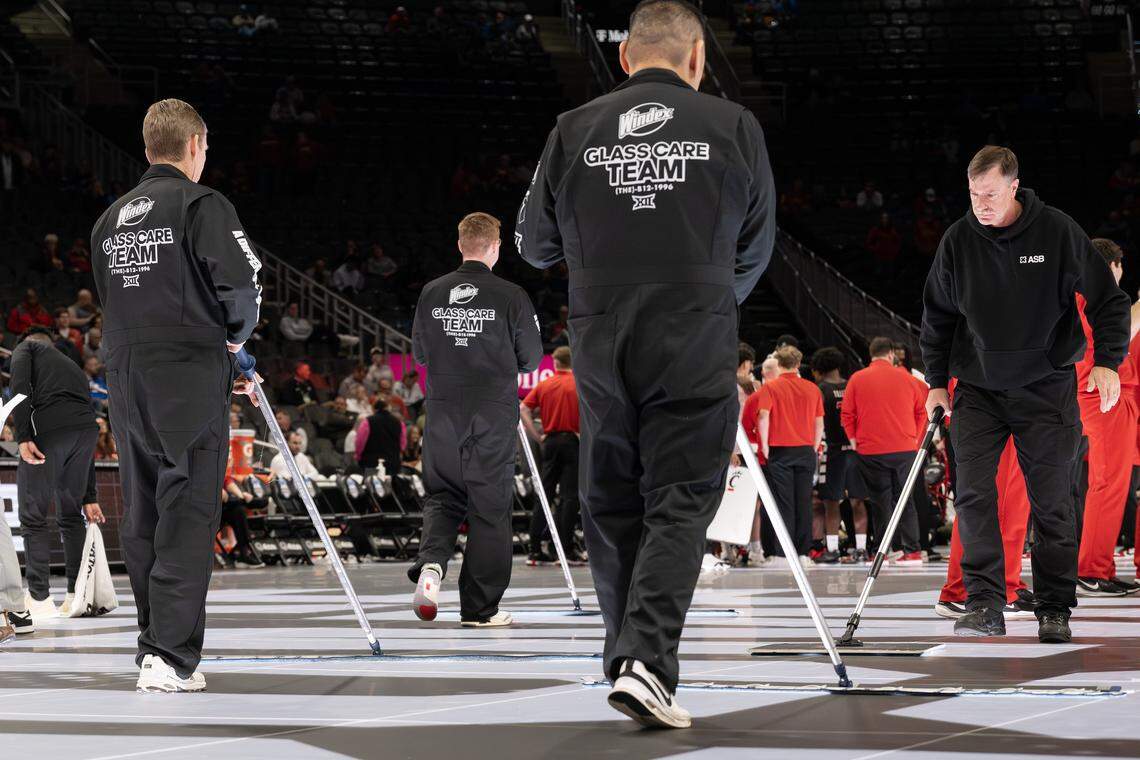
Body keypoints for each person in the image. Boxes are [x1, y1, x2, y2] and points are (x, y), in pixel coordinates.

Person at [515, 0, 775, 729]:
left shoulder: (572, 129)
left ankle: (626, 656)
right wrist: (710, 299)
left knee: (612, 498)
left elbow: (532, 245)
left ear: (625, 58)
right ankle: (646, 663)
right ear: (697, 59)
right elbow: (757, 245)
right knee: (682, 496)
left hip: (600, 335)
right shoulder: (734, 126)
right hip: (694, 328)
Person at [920, 145, 1130, 643]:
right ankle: (985, 602)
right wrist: (934, 382)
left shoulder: (1056, 231)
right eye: (973, 194)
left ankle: (1055, 607)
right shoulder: (958, 239)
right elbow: (938, 317)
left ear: (1014, 186)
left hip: (1045, 384)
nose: (981, 204)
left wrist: (1106, 362)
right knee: (972, 496)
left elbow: (1109, 300)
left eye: (990, 194)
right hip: (977, 387)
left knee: (1053, 501)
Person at [90, 98, 262, 693]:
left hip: (125, 371)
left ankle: (151, 646)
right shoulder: (201, 203)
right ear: (195, 145)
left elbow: (110, 298)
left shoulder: (109, 219)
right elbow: (242, 283)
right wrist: (235, 341)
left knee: (143, 510)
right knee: (188, 508)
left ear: (147, 150)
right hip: (186, 367)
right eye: (206, 148)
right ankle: (169, 656)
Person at [408, 212, 543, 629]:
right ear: (496, 246)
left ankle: (431, 566)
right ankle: (480, 609)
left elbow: (420, 355)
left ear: (461, 243)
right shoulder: (511, 295)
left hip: (444, 411)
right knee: (489, 508)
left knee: (443, 495)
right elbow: (532, 357)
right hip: (490, 413)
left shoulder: (432, 292)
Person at [8, 327, 102, 621]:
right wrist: (89, 495)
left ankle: (38, 597)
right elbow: (86, 414)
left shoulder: (26, 349)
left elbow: (19, 389)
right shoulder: (73, 366)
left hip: (50, 429)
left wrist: (23, 436)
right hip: (86, 432)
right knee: (71, 516)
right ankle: (76, 596)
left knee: (33, 517)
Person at [1073, 238, 1140, 596]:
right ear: (1112, 266)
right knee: (1109, 485)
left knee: (1101, 485)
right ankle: (1093, 568)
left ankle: (1092, 566)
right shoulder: (1101, 299)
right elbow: (1118, 333)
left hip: (1086, 396)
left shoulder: (1074, 295)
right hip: (1106, 397)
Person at [840, 336, 926, 565]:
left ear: (871, 354)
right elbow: (922, 412)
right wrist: (915, 438)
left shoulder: (857, 379)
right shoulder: (907, 379)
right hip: (905, 448)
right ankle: (913, 550)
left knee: (880, 502)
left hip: (871, 449)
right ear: (891, 355)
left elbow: (847, 414)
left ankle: (883, 551)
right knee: (905, 499)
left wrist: (854, 440)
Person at [754, 345, 823, 564]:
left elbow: (764, 416)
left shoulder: (771, 388)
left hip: (780, 450)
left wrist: (764, 445)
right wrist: (814, 445)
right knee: (804, 502)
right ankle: (803, 553)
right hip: (805, 449)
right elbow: (818, 421)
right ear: (797, 364)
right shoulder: (812, 388)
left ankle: (783, 554)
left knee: (783, 503)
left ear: (779, 364)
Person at [521, 345, 583, 565]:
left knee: (544, 495)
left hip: (550, 442)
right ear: (572, 361)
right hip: (572, 442)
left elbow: (523, 409)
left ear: (555, 363)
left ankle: (534, 549)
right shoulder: (578, 384)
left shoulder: (545, 384)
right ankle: (564, 552)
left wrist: (538, 436)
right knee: (569, 497)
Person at [811, 346, 869, 564]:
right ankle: (861, 549)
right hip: (855, 450)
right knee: (858, 502)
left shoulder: (819, 389)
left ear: (817, 369)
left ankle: (833, 549)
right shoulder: (852, 385)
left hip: (832, 450)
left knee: (831, 502)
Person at [354, 400, 404, 476]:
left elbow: (360, 441)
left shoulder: (368, 421)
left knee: (372, 485)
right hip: (393, 462)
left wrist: (358, 456)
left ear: (374, 409)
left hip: (371, 462)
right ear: (387, 408)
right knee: (391, 486)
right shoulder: (399, 422)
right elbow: (402, 443)